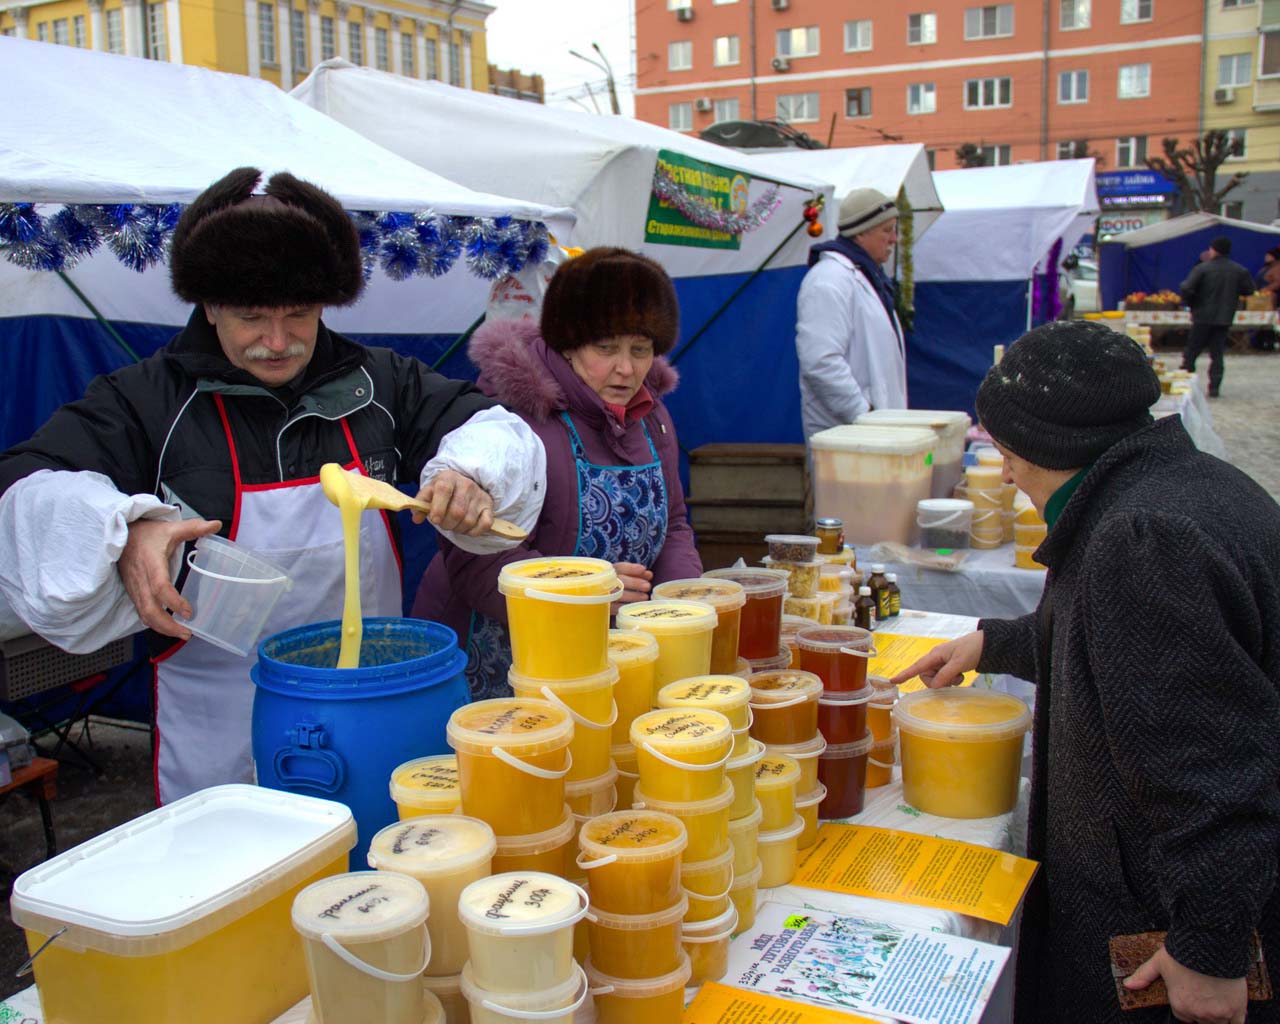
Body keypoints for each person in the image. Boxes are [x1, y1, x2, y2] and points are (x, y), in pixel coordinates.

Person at [0, 167, 545, 803]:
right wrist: (121, 531)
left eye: (299, 314)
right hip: (219, 717)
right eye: (251, 318)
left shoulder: (381, 384)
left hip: (370, 695)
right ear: (208, 307)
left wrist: (469, 471)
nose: (278, 341)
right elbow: (28, 484)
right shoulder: (146, 400)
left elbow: (488, 427)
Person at [893, 320, 1280, 1024]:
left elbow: (1213, 769)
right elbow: (1134, 658)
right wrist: (1000, 643)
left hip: (1153, 930)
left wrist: (1210, 946)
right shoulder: (1178, 484)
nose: (1004, 475)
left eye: (1008, 455)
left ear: (1055, 447)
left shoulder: (1143, 541)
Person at [414, 247, 702, 698]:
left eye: (640, 350)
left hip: (598, 653)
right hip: (497, 659)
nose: (626, 369)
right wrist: (585, 593)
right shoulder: (515, 421)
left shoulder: (653, 418)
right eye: (605, 348)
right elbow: (474, 556)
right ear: (568, 342)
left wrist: (681, 607)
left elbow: (675, 527)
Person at [794, 187, 906, 440]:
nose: (894, 239)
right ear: (861, 233)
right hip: (850, 438)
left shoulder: (868, 277)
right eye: (887, 230)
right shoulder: (827, 281)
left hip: (876, 434)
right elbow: (820, 362)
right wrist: (864, 415)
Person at [1180, 234, 1254, 397]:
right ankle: (1214, 387)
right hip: (1224, 318)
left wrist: (1191, 303)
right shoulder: (1239, 270)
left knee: (1192, 351)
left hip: (1202, 316)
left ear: (1214, 250)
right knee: (1217, 354)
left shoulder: (1202, 268)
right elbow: (1249, 290)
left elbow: (1187, 288)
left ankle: (1186, 383)